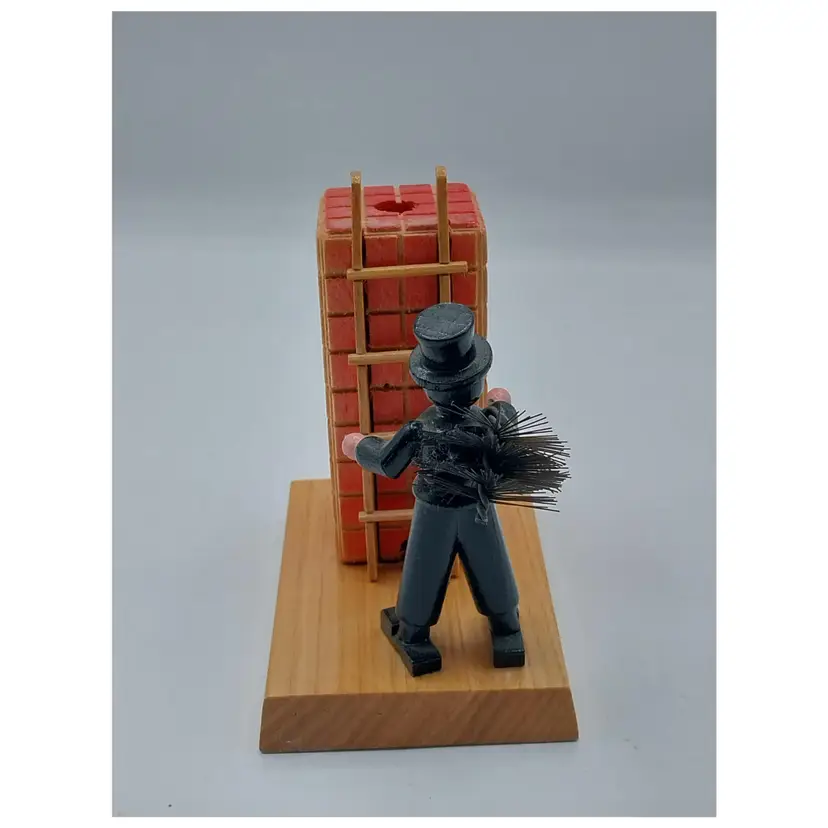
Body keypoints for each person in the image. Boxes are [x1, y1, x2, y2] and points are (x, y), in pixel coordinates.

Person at [343, 303, 569, 676]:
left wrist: (358, 447)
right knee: (492, 562)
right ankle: (506, 626)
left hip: (434, 513)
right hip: (478, 508)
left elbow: (387, 462)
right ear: (477, 380)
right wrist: (502, 402)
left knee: (424, 566)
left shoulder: (420, 429)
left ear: (427, 385)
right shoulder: (488, 422)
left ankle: (413, 633)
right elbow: (506, 421)